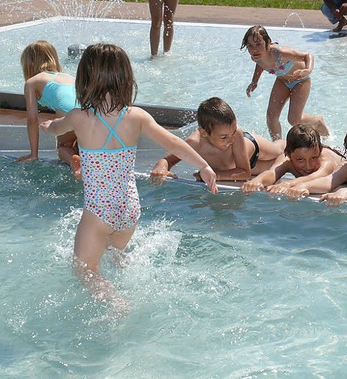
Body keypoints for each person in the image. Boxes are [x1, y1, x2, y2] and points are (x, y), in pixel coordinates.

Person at [40, 43, 217, 307]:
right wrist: (204, 165)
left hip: (99, 210)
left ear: (85, 79)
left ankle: (114, 300)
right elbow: (173, 143)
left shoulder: (79, 117)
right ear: (125, 78)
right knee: (115, 254)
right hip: (129, 208)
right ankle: (127, 273)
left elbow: (55, 129)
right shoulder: (137, 116)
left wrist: (46, 126)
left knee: (84, 270)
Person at [150, 97, 285, 183]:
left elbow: (244, 173)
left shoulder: (236, 134)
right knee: (280, 166)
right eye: (223, 137)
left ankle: (287, 139)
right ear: (204, 133)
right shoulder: (194, 143)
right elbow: (168, 160)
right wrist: (161, 168)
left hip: (252, 149)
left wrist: (214, 175)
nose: (230, 140)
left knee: (281, 150)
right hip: (237, 167)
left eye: (232, 132)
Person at [242, 25, 329, 141]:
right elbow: (260, 64)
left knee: (294, 120)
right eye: (250, 46)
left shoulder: (280, 53)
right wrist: (254, 81)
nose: (254, 50)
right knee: (271, 116)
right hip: (282, 81)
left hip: (300, 81)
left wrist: (307, 70)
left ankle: (318, 121)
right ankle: (278, 144)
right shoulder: (256, 57)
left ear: (267, 43)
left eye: (258, 44)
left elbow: (307, 56)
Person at [18, 40, 78, 167]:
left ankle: (75, 163)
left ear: (28, 64)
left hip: (67, 110)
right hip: (87, 110)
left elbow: (32, 119)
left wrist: (33, 155)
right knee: (79, 143)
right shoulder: (68, 77)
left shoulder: (32, 82)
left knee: (63, 148)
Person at [241, 124, 346, 195]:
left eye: (314, 158)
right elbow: (272, 173)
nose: (308, 166)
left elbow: (316, 177)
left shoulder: (327, 160)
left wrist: (289, 184)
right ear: (289, 155)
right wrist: (257, 181)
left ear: (320, 151)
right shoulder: (287, 160)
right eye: (300, 160)